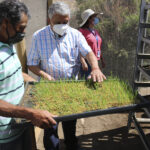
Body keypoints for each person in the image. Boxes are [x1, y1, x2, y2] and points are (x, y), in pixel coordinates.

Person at [27, 2, 106, 150]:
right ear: (50, 20)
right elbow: (32, 64)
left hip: (71, 90)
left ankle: (71, 145)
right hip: (48, 90)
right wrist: (45, 76)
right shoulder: (38, 36)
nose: (62, 25)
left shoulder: (75, 35)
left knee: (70, 127)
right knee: (50, 129)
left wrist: (95, 67)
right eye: (58, 22)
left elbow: (88, 52)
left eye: (66, 22)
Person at [0, 0, 56, 149]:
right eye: (21, 28)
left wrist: (38, 85)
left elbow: (15, 74)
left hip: (20, 123)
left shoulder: (8, 44)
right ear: (5, 23)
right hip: (5, 137)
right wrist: (29, 114)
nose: (24, 33)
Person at [79, 9, 105, 79]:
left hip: (96, 61)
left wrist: (102, 60)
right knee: (87, 81)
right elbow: (78, 48)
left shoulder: (95, 31)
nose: (96, 18)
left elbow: (98, 46)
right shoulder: (82, 32)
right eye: (93, 16)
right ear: (88, 19)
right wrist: (83, 62)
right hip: (87, 62)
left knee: (96, 81)